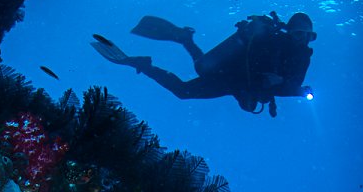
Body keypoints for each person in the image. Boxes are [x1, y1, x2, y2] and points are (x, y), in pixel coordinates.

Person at [91, 12, 316, 117]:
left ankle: (185, 40)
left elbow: (291, 85)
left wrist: (291, 86)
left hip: (240, 84)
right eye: (299, 34)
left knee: (200, 70)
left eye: (308, 36)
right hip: (234, 77)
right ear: (289, 32)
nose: (303, 40)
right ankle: (144, 64)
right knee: (185, 89)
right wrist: (283, 84)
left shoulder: (303, 57)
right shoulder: (275, 43)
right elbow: (260, 72)